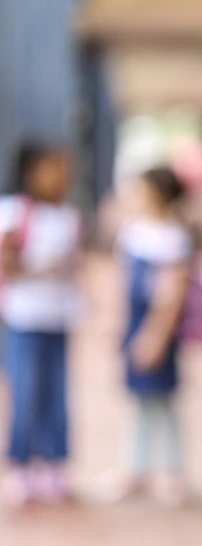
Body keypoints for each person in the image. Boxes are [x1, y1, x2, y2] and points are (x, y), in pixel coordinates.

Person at [0, 141, 83, 507]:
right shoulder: (14, 213)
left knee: (58, 396)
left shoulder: (68, 216)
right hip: (24, 319)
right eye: (54, 168)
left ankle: (54, 466)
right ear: (32, 171)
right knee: (26, 394)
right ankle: (22, 467)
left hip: (58, 318)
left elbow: (76, 264)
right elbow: (8, 264)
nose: (63, 177)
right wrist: (40, 268)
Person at [107, 167, 194, 506]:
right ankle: (135, 468)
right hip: (135, 324)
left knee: (163, 402)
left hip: (157, 329)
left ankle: (172, 471)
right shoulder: (133, 231)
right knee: (140, 402)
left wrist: (155, 336)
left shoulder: (174, 237)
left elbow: (171, 295)